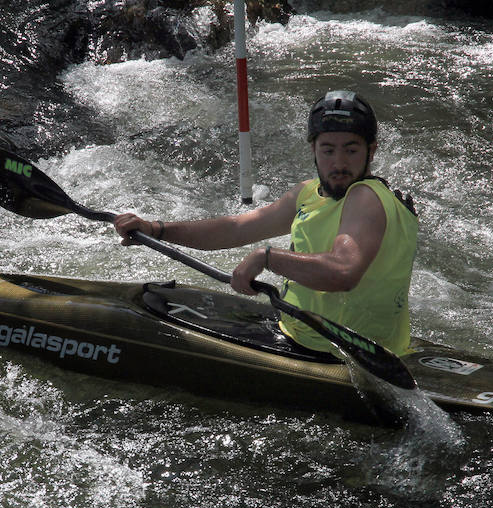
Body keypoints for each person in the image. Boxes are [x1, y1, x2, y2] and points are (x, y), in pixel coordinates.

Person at [113, 90, 419, 355]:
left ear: (371, 151)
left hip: (343, 352)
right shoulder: (308, 193)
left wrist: (267, 258)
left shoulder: (366, 197)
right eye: (328, 150)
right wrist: (157, 229)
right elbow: (235, 228)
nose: (339, 162)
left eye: (351, 150)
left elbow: (343, 272)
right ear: (313, 149)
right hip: (301, 333)